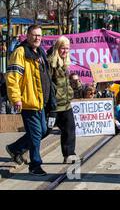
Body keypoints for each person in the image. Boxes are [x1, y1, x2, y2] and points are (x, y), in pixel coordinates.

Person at [5, 25, 56, 176]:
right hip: (28, 102)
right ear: (27, 36)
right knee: (35, 133)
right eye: (34, 35)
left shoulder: (39, 52)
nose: (37, 38)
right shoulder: (20, 52)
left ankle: (15, 148)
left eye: (39, 35)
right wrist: (16, 99)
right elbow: (12, 77)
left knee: (44, 130)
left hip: (40, 102)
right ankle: (35, 164)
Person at [47, 36, 77, 164]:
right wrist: (50, 103)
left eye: (67, 49)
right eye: (63, 48)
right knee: (44, 131)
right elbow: (48, 84)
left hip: (65, 104)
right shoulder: (50, 63)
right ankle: (18, 148)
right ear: (57, 48)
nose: (65, 51)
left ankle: (69, 154)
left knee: (69, 129)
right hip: (54, 105)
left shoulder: (64, 62)